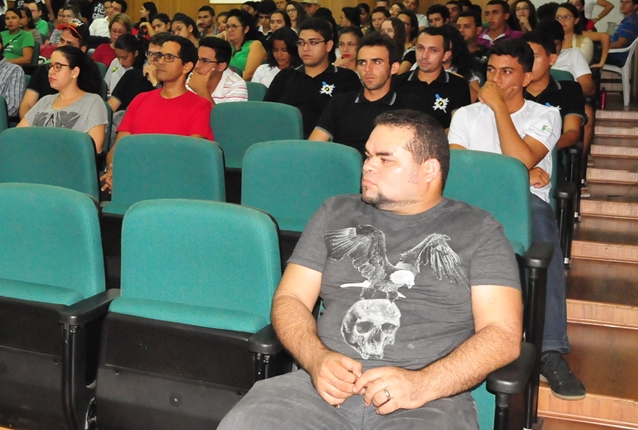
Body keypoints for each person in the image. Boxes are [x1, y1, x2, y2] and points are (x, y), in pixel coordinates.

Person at [218, 110, 522, 430]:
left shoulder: (479, 231)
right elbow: (290, 297)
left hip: (427, 401)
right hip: (316, 389)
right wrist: (316, 358)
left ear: (429, 169)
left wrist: (424, 384)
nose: (368, 166)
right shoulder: (335, 212)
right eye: (367, 155)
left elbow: (503, 334)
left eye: (385, 159)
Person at [447, 37, 583, 401]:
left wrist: (500, 115)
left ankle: (550, 350)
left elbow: (523, 158)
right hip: (471, 201)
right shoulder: (464, 115)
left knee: (542, 233)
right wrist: (514, 171)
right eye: (491, 71)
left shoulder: (545, 115)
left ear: (526, 76)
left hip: (525, 204)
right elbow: (459, 170)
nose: (496, 79)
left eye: (507, 72)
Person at [100, 36, 213, 193]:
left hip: (170, 185)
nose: (160, 62)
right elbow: (117, 149)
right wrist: (112, 169)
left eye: (169, 57)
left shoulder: (200, 106)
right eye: (159, 56)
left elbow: (189, 156)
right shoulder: (140, 100)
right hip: (130, 179)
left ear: (186, 67)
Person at [310, 33, 429, 156]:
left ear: (393, 68)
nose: (368, 69)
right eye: (362, 63)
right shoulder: (340, 103)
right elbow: (312, 147)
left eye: (377, 62)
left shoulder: (411, 107)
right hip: (343, 171)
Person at [265, 18, 360, 139]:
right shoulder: (285, 76)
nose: (305, 48)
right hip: (286, 144)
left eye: (313, 42)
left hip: (329, 147)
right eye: (301, 43)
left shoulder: (346, 78)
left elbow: (354, 122)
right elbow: (267, 116)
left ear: (328, 45)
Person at [18, 45, 107, 153]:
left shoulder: (93, 102)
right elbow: (17, 136)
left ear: (74, 72)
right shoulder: (45, 101)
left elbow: (95, 148)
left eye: (58, 66)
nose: (51, 71)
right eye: (50, 66)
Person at [393, 26, 471, 129]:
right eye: (420, 48)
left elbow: (459, 129)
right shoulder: (398, 83)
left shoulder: (457, 85)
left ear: (446, 55)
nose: (424, 55)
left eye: (433, 50)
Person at [525, 32, 585, 152]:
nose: (528, 63)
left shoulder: (569, 90)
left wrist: (542, 148)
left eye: (535, 57)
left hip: (550, 157)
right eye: (524, 57)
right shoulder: (510, 90)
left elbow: (572, 132)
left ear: (552, 59)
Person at [187, 36, 248, 104]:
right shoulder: (191, 78)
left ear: (221, 66)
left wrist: (201, 91)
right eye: (197, 58)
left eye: (205, 61)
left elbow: (224, 115)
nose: (196, 65)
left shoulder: (236, 86)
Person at [224, 9, 267, 81]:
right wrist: (222, 35)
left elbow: (249, 74)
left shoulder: (255, 45)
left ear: (246, 29)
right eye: (228, 26)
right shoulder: (229, 47)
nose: (230, 30)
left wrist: (227, 84)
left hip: (248, 87)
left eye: (234, 26)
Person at [607, 0, 638, 67]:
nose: (622, 5)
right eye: (621, 2)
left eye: (627, 2)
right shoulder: (628, 20)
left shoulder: (630, 22)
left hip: (617, 56)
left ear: (635, 6)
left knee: (590, 53)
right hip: (614, 54)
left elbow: (621, 43)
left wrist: (602, 47)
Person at [105, 33, 139, 97]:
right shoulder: (115, 62)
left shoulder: (142, 70)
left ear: (135, 53)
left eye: (124, 58)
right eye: (118, 57)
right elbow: (106, 85)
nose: (120, 62)